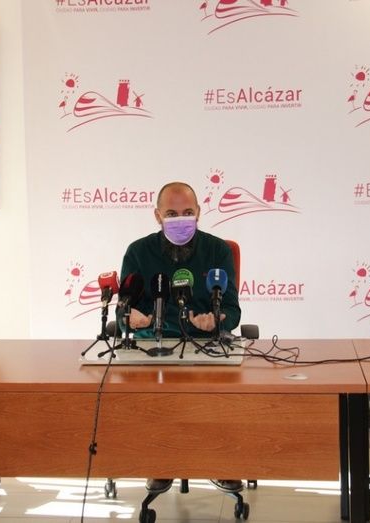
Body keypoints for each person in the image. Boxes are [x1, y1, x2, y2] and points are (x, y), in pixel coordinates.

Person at [120, 181, 242, 495]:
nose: (180, 220)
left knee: (220, 398)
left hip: (205, 344)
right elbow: (123, 311)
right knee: (149, 400)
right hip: (152, 344)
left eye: (187, 212)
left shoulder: (218, 250)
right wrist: (131, 318)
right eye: (172, 214)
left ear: (199, 212)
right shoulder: (137, 252)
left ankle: (222, 461)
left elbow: (232, 310)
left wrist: (216, 319)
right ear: (157, 216)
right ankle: (160, 461)